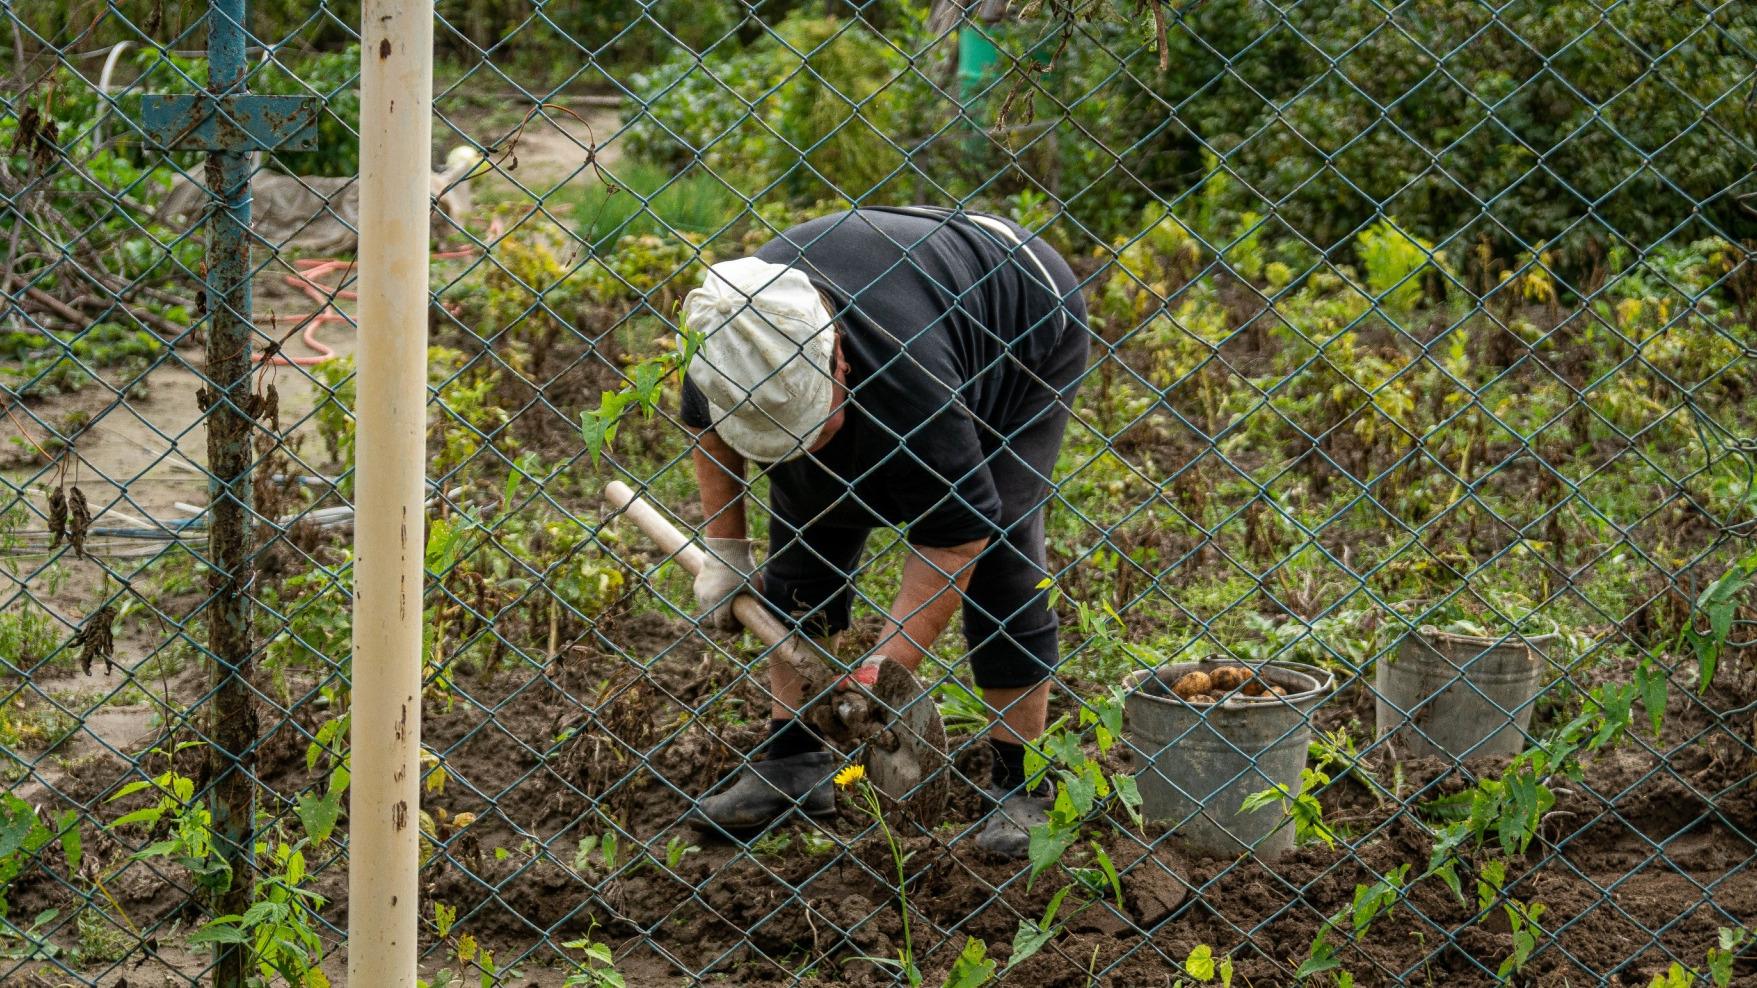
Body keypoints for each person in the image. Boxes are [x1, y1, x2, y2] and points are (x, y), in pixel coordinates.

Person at [679, 206, 1088, 857]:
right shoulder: (731, 334)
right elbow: (706, 428)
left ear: (838, 355)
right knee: (807, 515)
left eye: (815, 417)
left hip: (1021, 317)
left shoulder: (909, 375)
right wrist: (727, 551)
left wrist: (888, 669)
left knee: (1003, 550)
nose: (811, 443)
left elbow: (956, 537)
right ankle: (794, 759)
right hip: (910, 293)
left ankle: (1023, 782)